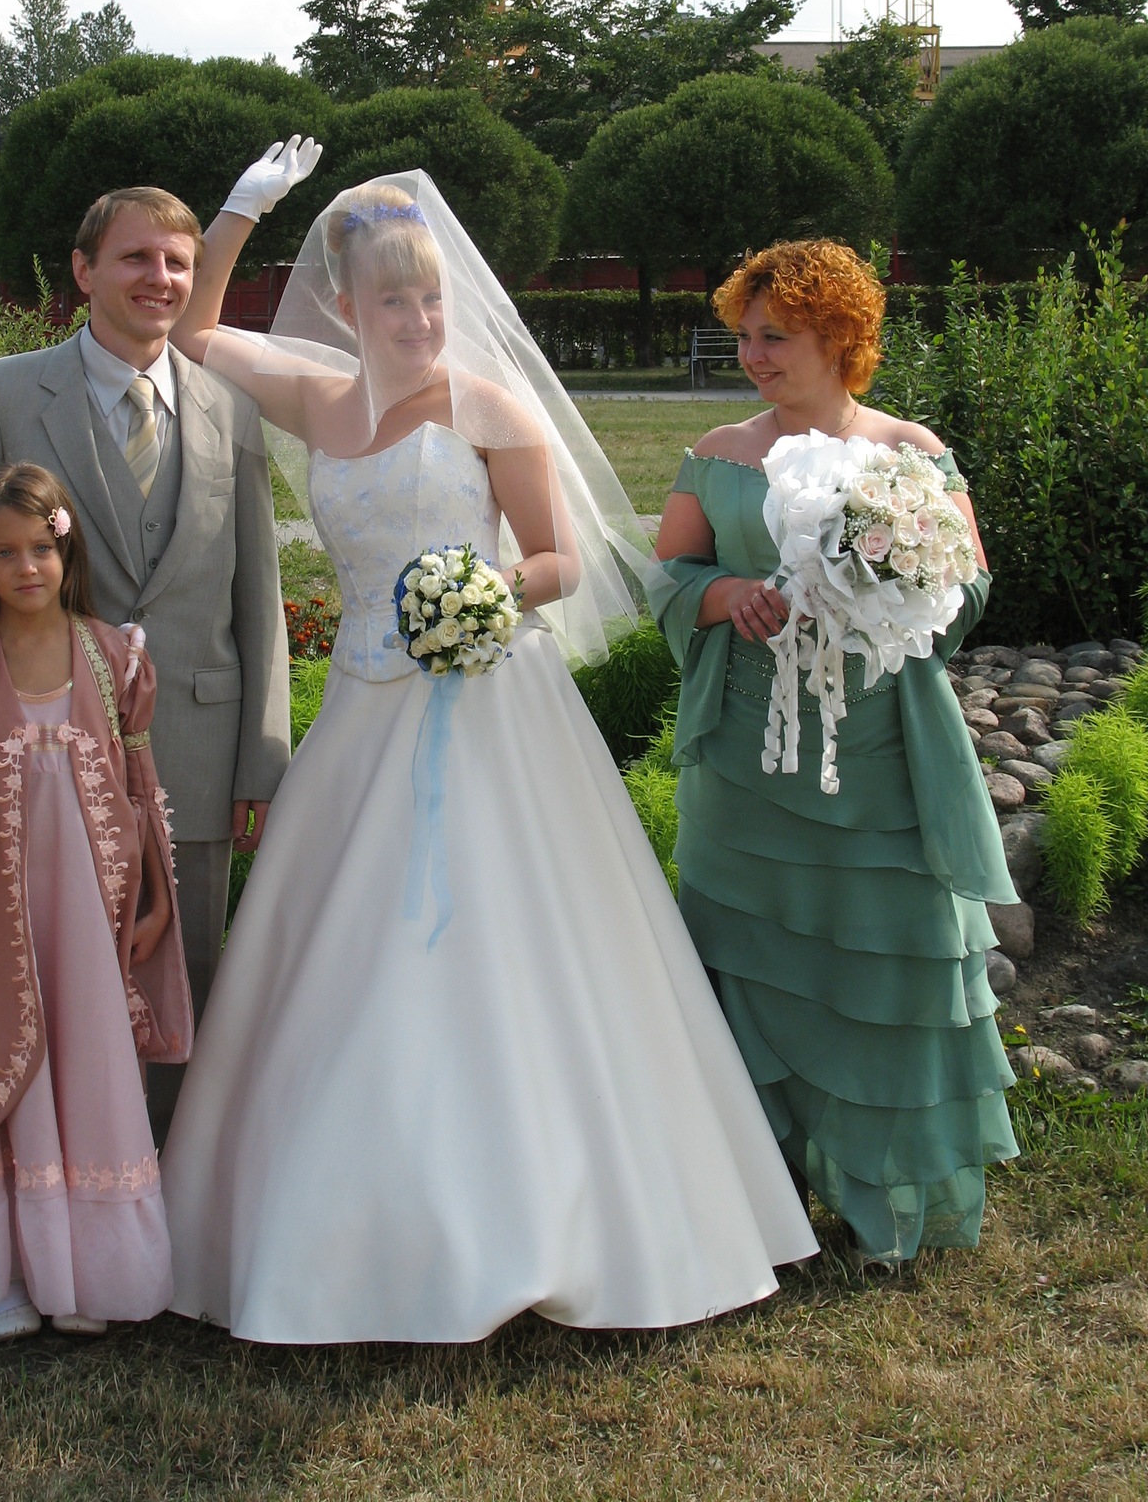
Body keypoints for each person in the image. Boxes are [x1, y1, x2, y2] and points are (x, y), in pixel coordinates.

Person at [157, 152, 818, 1344]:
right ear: (346, 305)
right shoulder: (318, 400)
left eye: (432, 297)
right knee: (346, 948)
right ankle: (339, 1223)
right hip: (363, 713)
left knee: (514, 945)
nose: (419, 319)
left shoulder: (489, 406)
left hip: (489, 702)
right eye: (393, 300)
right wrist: (242, 208)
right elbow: (197, 329)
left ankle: (549, 1218)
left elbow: (559, 558)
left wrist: (491, 592)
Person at [0, 186, 289, 1314]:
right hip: (32, 762)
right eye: (135, 259)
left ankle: (136, 1227)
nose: (160, 279)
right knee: (8, 987)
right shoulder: (7, 389)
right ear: (83, 270)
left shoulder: (230, 405)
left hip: (194, 748)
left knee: (170, 992)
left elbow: (259, 587)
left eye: (177, 262)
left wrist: (264, 757)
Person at [649, 239, 1019, 1267]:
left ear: (840, 336)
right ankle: (757, 1206)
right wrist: (727, 595)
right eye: (745, 336)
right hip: (746, 768)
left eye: (776, 337)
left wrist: (890, 594)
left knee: (889, 964)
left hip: (882, 759)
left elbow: (969, 586)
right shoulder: (718, 454)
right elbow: (669, 573)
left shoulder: (912, 453)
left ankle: (881, 1202)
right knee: (747, 963)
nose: (753, 356)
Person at [0, 462, 193, 1340]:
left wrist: (155, 900)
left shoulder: (114, 658)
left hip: (93, 925)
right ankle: (13, 1281)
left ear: (68, 552)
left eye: (40, 548)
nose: (26, 567)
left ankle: (91, 1277)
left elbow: (141, 791)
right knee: (10, 1075)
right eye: (4, 554)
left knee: (90, 1073)